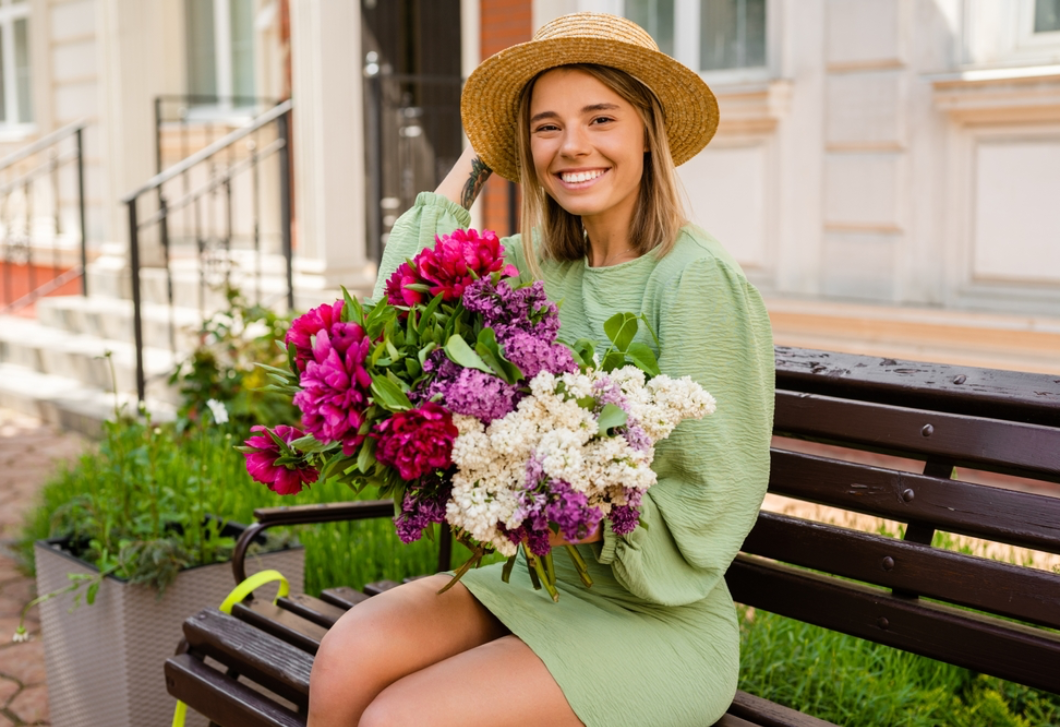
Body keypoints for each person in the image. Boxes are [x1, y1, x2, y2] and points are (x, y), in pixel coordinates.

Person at [307, 12, 774, 727]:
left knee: (401, 719)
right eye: (546, 126)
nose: (572, 146)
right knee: (345, 656)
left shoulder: (695, 280)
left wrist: (574, 504)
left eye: (599, 118)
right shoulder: (536, 266)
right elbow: (395, 315)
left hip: (656, 619)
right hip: (537, 583)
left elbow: (718, 493)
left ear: (648, 131)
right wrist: (481, 151)